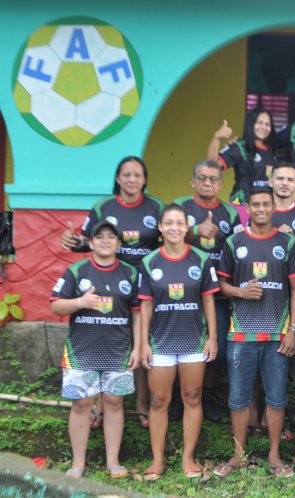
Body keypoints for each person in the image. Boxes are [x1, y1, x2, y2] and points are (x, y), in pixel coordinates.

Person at [61, 156, 164, 431]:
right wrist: (72, 242)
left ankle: (142, 402)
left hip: (145, 285)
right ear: (118, 178)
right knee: (107, 341)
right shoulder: (102, 207)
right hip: (107, 282)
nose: (132, 180)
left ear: (145, 179)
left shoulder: (156, 206)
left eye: (138, 175)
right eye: (127, 175)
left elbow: (170, 238)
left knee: (141, 342)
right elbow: (87, 242)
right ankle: (98, 405)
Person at [213, 188, 295, 478]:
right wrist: (241, 292)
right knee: (238, 399)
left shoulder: (288, 241)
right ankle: (238, 455)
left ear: (273, 207)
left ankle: (275, 455)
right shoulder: (234, 241)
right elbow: (221, 285)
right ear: (248, 208)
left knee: (277, 399)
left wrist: (294, 329)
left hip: (278, 336)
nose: (262, 208)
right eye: (256, 204)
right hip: (241, 335)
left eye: (267, 204)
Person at [51, 220, 140, 479]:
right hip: (82, 351)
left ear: (119, 243)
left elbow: (136, 315)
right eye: (98, 236)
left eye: (111, 237)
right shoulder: (76, 271)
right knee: (81, 404)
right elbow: (55, 305)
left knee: (114, 402)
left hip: (119, 350)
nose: (105, 241)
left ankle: (113, 462)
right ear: (89, 242)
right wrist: (81, 302)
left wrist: (137, 347)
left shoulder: (129, 274)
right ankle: (78, 464)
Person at [138, 204, 219, 480]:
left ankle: (188, 458)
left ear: (187, 227)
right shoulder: (150, 262)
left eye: (179, 223)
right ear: (160, 227)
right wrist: (143, 344)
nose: (174, 228)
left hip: (194, 340)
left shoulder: (200, 259)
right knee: (159, 399)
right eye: (168, 223)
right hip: (160, 341)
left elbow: (208, 299)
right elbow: (145, 307)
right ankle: (157, 460)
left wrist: (212, 337)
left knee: (192, 397)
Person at [174, 160, 242, 422]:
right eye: (202, 178)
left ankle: (206, 396)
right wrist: (193, 232)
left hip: (218, 293)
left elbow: (238, 247)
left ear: (221, 184)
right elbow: (164, 238)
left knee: (219, 350)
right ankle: (181, 398)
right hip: (182, 293)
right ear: (192, 181)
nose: (207, 183)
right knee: (183, 345)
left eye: (213, 179)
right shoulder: (181, 207)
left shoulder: (230, 213)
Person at [208, 108, 277, 225]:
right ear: (251, 124)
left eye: (267, 124)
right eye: (259, 123)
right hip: (241, 207)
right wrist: (217, 138)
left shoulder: (271, 150)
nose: (263, 127)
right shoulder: (239, 147)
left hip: (263, 210)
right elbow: (211, 167)